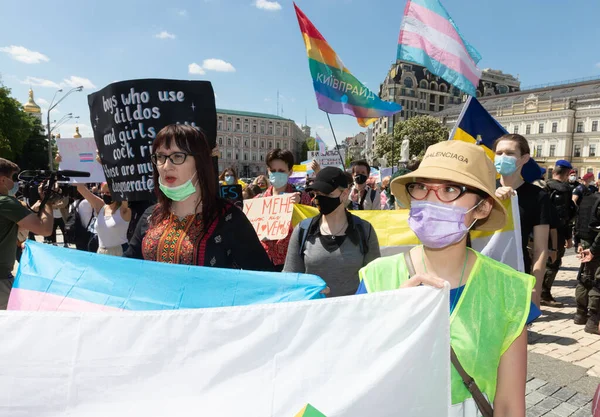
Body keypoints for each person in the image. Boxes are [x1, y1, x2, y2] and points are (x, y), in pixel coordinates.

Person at [358, 141, 538, 415]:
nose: (429, 200)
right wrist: (392, 317)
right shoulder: (375, 279)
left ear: (482, 208)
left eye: (450, 189)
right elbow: (355, 376)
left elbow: (509, 405)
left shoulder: (509, 290)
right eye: (420, 187)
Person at [124, 124, 274, 271]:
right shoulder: (151, 216)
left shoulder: (229, 218)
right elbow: (126, 269)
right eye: (160, 157)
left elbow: (263, 277)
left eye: (177, 156)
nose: (166, 166)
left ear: (200, 163)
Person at [284, 167, 380, 296]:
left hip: (354, 312)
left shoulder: (364, 230)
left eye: (327, 194)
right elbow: (290, 279)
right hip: (313, 312)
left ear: (345, 194)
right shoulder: (303, 231)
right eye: (316, 194)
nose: (320, 198)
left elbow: (375, 279)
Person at [494, 134, 550, 307]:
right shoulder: (482, 189)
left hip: (516, 275)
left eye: (509, 153)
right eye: (499, 152)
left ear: (524, 158)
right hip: (479, 274)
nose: (503, 157)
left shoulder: (537, 196)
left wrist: (535, 288)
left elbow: (541, 249)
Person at [0, 158, 54, 309]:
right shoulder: (5, 202)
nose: (15, 183)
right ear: (3, 180)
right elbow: (45, 229)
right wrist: (48, 200)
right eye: (13, 178)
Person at [255, 148, 312, 271]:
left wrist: (300, 204)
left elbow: (313, 222)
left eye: (281, 171)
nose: (276, 174)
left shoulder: (302, 198)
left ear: (290, 172)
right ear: (268, 171)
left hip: (292, 263)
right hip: (264, 261)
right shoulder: (257, 201)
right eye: (273, 170)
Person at [542, 160, 577, 307]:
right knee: (554, 262)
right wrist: (568, 237)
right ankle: (544, 293)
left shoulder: (544, 186)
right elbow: (565, 215)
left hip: (539, 230)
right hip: (556, 233)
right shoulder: (564, 189)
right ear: (567, 172)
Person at [76, 182, 131, 256]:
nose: (105, 195)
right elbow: (80, 188)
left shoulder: (123, 210)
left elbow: (124, 192)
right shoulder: (101, 207)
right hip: (101, 251)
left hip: (119, 251)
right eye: (102, 192)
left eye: (108, 192)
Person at [573, 188, 600, 334]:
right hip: (596, 245)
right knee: (597, 281)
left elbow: (578, 221)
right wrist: (594, 249)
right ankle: (593, 321)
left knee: (584, 278)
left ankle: (580, 314)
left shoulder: (586, 199)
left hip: (585, 242)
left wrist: (578, 241)